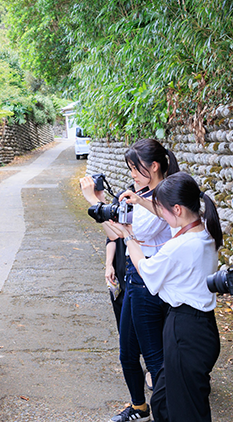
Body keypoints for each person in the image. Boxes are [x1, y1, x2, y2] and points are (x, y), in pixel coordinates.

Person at [106, 171, 223, 422]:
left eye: (162, 208)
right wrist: (140, 201)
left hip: (186, 330)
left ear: (178, 209)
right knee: (162, 400)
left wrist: (128, 237)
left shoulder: (179, 246)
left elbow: (146, 270)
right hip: (200, 327)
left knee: (186, 411)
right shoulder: (203, 230)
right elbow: (167, 215)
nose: (159, 213)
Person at [79, 138, 179, 422]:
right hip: (134, 279)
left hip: (149, 284)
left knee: (155, 360)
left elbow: (125, 234)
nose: (132, 174)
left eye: (135, 168)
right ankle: (139, 408)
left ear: (154, 166)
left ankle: (167, 413)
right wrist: (104, 206)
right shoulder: (141, 193)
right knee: (127, 354)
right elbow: (117, 232)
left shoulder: (163, 197)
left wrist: (94, 202)